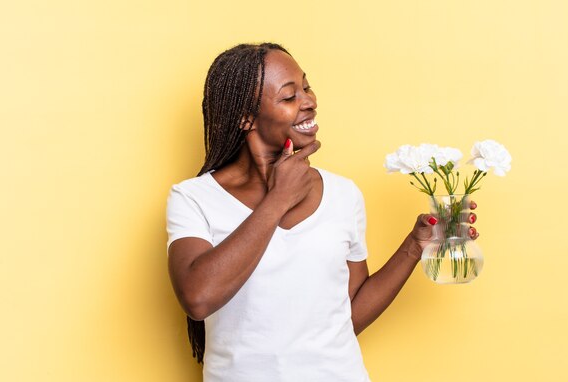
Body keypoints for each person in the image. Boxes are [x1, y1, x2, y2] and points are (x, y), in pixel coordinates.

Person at [166, 43, 479, 382]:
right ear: (245, 117)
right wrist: (278, 199)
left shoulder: (343, 194)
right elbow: (198, 298)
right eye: (289, 97)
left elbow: (346, 316)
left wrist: (414, 247)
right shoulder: (193, 198)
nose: (310, 101)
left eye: (307, 87)